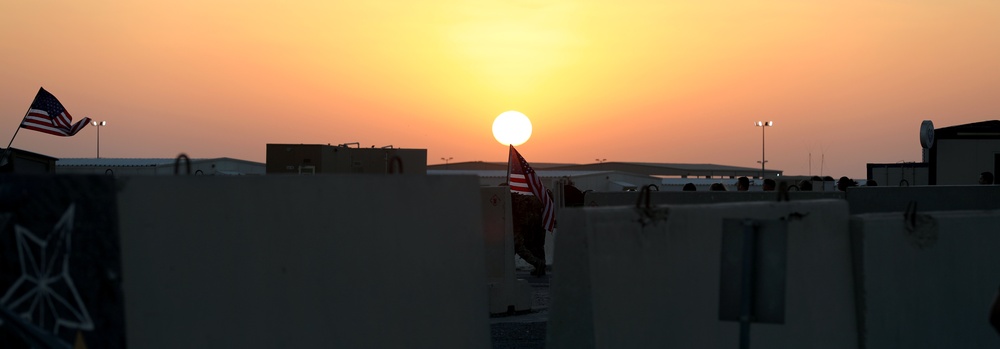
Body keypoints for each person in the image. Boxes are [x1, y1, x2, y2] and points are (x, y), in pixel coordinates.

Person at [510, 193, 546, 276]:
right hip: (537, 220)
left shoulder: (513, 201)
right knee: (536, 245)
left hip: (526, 222)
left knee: (517, 245)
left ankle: (537, 263)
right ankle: (540, 266)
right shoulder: (523, 199)